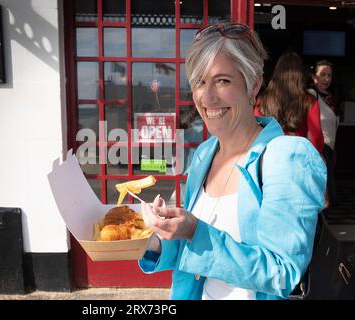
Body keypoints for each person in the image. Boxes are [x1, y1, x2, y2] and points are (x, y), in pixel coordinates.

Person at [138, 23, 327, 300]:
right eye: (200, 81)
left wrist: (194, 230)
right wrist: (159, 236)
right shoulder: (204, 153)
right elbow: (193, 251)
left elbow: (282, 272)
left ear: (254, 84)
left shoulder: (288, 157)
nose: (208, 96)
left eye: (222, 80)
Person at [254, 52, 324, 154]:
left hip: (270, 156)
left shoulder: (262, 99)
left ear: (277, 72)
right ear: (300, 74)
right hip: (297, 156)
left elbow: (255, 130)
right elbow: (316, 137)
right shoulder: (309, 101)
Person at [308, 60, 339, 206]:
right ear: (314, 77)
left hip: (329, 149)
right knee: (324, 194)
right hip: (318, 148)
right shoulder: (311, 95)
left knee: (327, 194)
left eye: (329, 75)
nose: (327, 79)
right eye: (323, 75)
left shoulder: (331, 98)